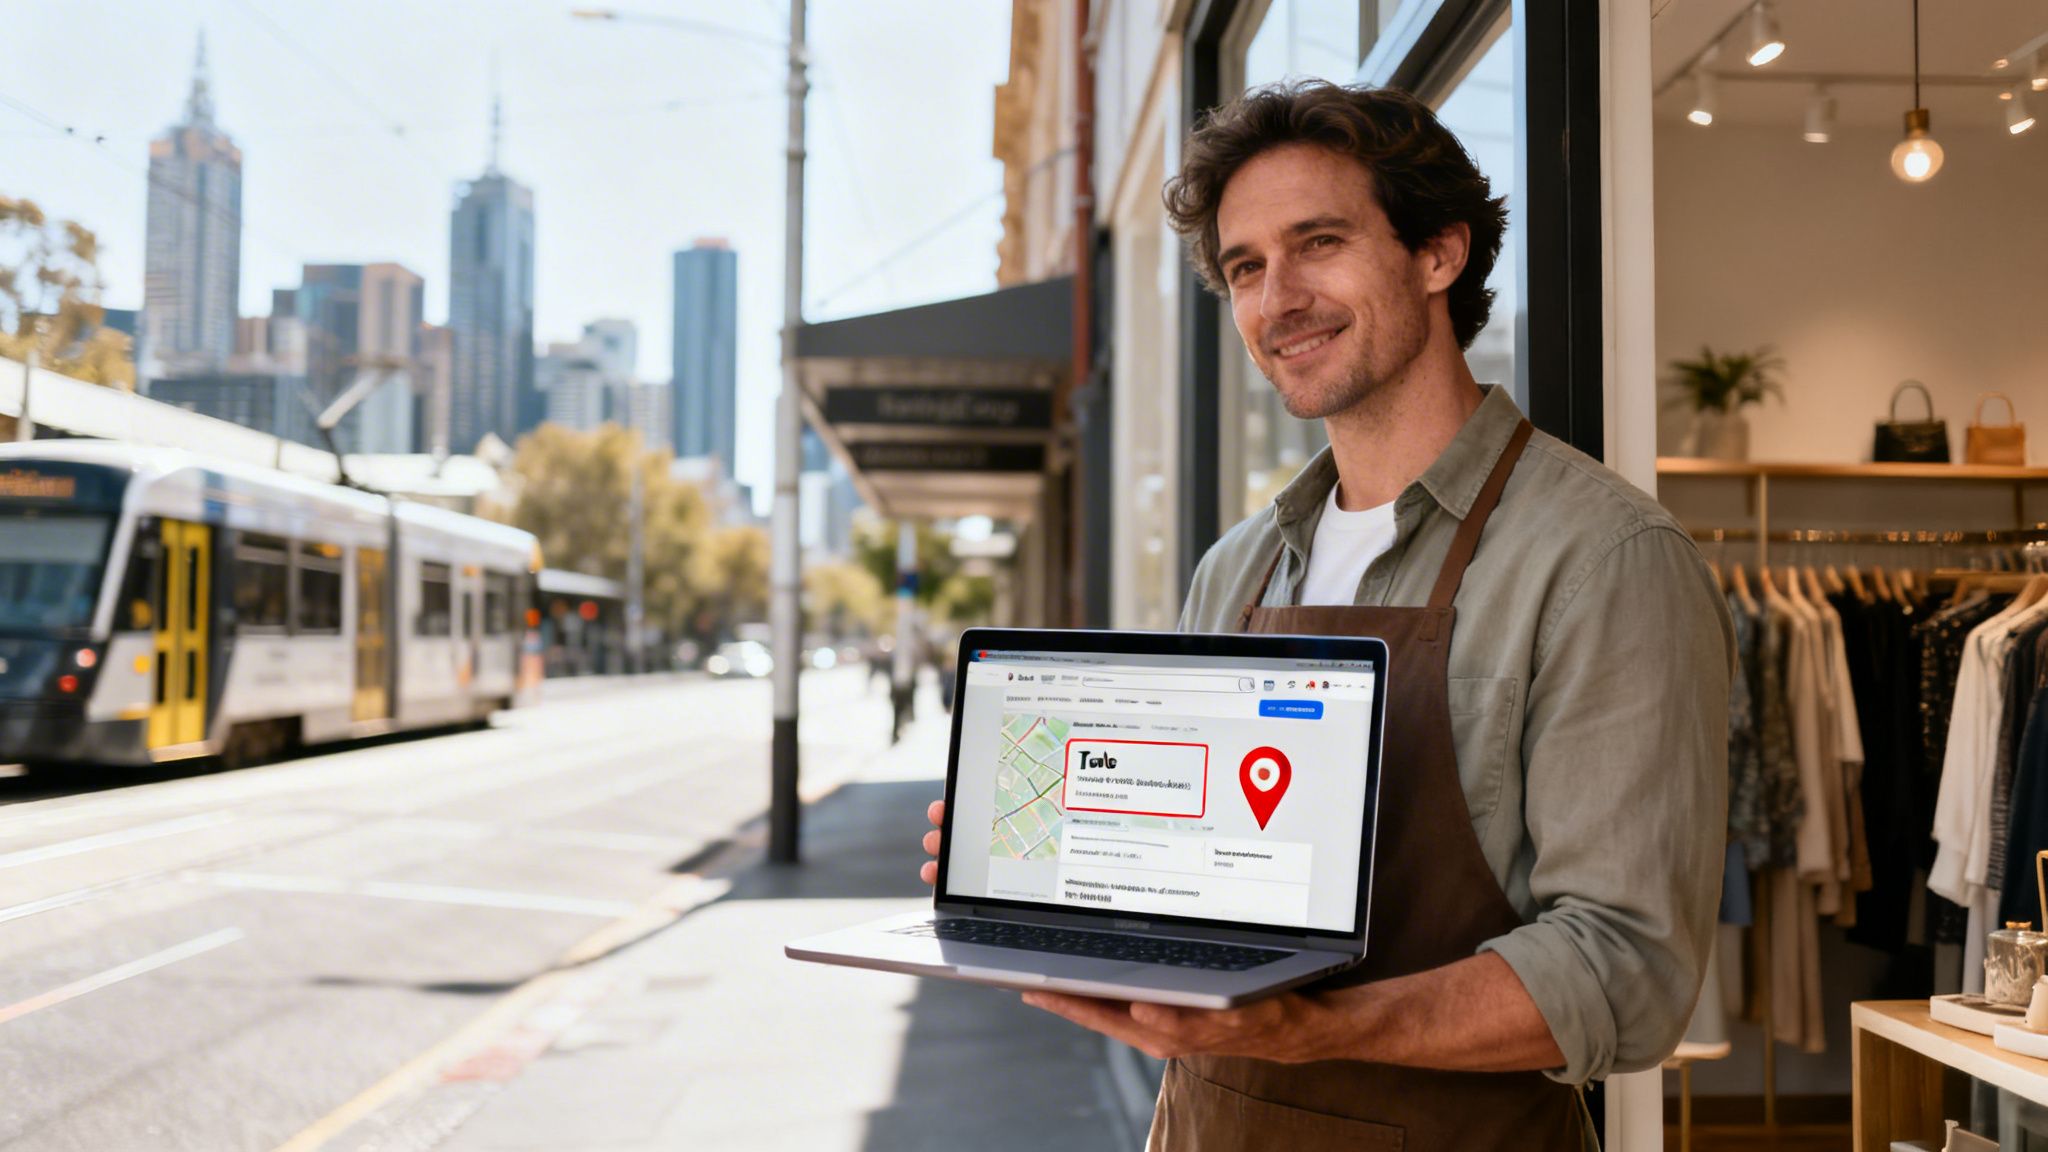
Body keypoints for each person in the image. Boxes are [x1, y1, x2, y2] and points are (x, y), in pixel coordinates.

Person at [920, 80, 1730, 1149]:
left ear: (1438, 254)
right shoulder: (1236, 569)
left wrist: (1312, 1027)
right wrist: (1042, 858)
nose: (1276, 298)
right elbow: (1194, 867)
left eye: (1318, 243)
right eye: (1245, 267)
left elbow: (1624, 970)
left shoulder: (1600, 560)